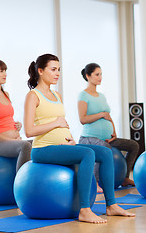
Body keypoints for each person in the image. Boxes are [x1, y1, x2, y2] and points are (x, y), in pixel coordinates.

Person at [23, 54, 135, 224]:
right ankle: (84, 210)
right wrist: (55, 123)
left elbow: (63, 124)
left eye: (59, 69)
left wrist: (71, 140)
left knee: (105, 152)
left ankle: (111, 205)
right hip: (42, 149)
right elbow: (29, 131)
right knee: (88, 154)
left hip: (62, 145)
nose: (57, 73)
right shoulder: (33, 96)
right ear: (40, 71)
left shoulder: (57, 95)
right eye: (53, 69)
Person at [78, 63, 139, 192]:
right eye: (97, 74)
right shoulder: (83, 95)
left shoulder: (102, 96)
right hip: (89, 138)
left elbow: (108, 117)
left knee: (133, 145)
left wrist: (114, 133)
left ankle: (124, 177)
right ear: (88, 76)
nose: (100, 77)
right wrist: (100, 114)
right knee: (104, 148)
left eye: (101, 74)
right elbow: (82, 119)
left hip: (107, 138)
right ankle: (94, 182)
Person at [0, 59, 31, 172]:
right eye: (1, 71)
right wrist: (11, 140)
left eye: (5, 71)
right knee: (25, 146)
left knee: (37, 144)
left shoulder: (6, 94)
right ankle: (20, 184)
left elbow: (5, 119)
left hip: (12, 140)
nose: (5, 74)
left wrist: (17, 126)